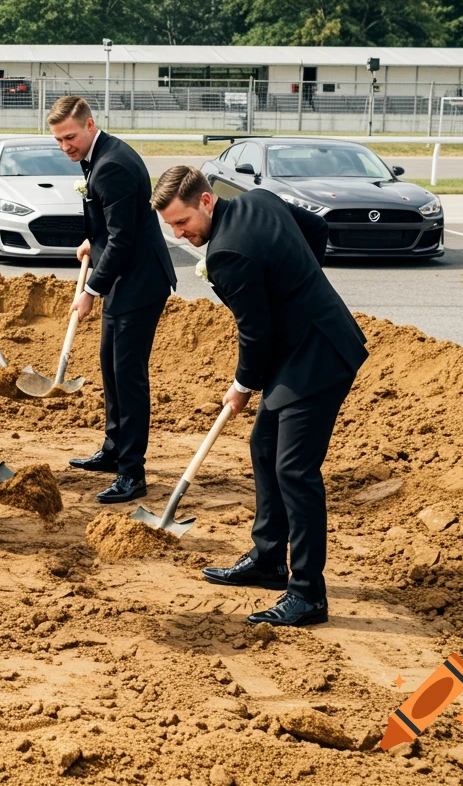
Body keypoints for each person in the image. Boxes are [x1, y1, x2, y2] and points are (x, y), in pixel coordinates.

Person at [153, 166, 368, 627]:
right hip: (303, 345)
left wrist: (242, 385)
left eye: (183, 222)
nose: (179, 233)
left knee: (295, 469)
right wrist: (300, 287)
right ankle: (270, 559)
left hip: (319, 358)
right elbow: (316, 228)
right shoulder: (259, 199)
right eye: (171, 226)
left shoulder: (228, 253)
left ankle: (308, 594)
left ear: (206, 201)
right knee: (264, 446)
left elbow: (255, 333)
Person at [48, 96, 176, 503]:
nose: (65, 146)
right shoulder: (99, 154)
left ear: (89, 125)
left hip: (138, 283)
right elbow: (114, 226)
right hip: (123, 276)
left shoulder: (113, 165)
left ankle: (132, 474)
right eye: (58, 140)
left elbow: (123, 240)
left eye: (70, 137)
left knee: (129, 378)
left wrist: (89, 291)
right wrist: (93, 240)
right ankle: (113, 448)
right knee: (110, 367)